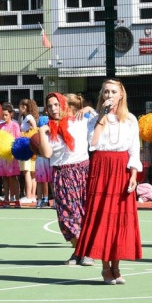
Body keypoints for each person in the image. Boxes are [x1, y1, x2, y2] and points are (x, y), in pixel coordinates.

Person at [75, 79, 142, 285]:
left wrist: (133, 174)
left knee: (119, 218)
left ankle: (117, 266)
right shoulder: (94, 118)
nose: (109, 95)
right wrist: (101, 118)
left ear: (121, 95)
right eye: (105, 92)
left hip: (121, 168)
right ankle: (105, 268)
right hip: (101, 168)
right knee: (103, 217)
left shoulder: (130, 119)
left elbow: (134, 148)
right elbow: (92, 144)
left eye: (113, 92)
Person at [40, 92, 92, 266]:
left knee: (83, 214)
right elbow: (47, 153)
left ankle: (84, 253)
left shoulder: (80, 121)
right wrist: (41, 131)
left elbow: (101, 120)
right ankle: (80, 251)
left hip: (82, 171)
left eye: (56, 104)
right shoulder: (48, 129)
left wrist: (90, 109)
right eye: (50, 106)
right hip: (61, 175)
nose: (53, 109)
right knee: (66, 218)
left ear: (63, 105)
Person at [0, 104, 22, 207]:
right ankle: (6, 200)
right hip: (2, 156)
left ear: (11, 114)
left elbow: (18, 139)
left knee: (13, 177)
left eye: (6, 115)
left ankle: (17, 200)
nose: (4, 117)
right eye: (2, 115)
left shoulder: (15, 125)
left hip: (11, 156)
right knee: (4, 178)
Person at [17, 98, 39, 206]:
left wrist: (27, 135)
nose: (18, 108)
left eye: (20, 106)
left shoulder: (29, 117)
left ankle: (30, 196)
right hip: (28, 146)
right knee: (32, 173)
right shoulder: (25, 117)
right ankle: (32, 195)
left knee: (27, 172)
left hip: (27, 146)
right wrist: (20, 116)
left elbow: (34, 129)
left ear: (24, 107)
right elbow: (19, 126)